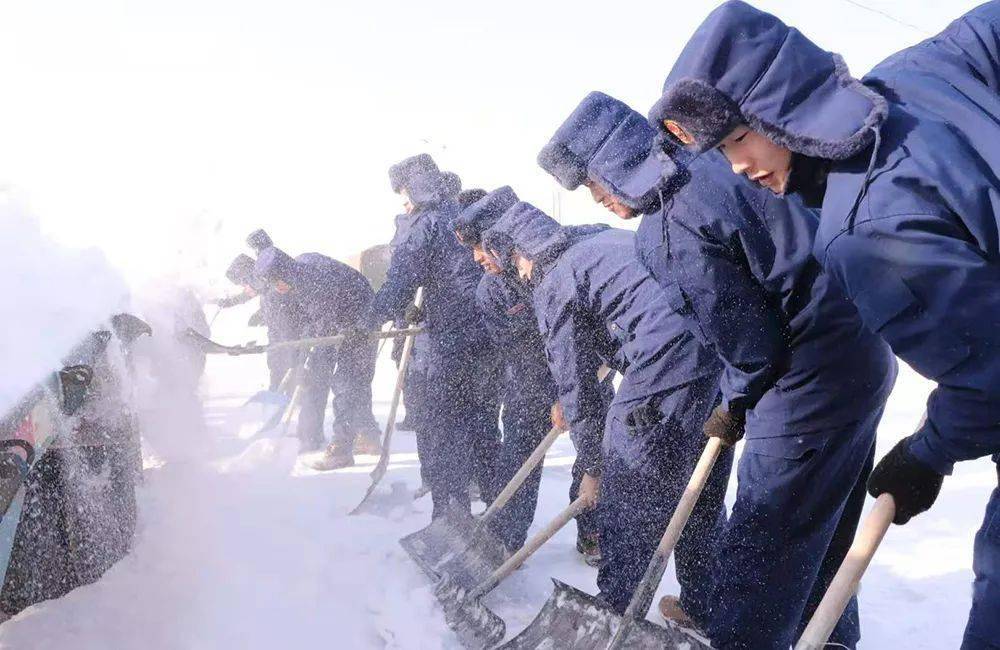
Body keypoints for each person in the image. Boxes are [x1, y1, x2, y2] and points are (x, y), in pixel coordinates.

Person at [650, 3, 1000, 647]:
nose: (737, 166)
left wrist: (926, 455)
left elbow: (992, 383)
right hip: (857, 377)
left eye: (736, 141)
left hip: (809, 393)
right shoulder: (911, 77)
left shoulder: (864, 230)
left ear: (774, 112)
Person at [544, 89, 897, 647]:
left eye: (591, 183)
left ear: (615, 163)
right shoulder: (721, 161)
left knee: (759, 553)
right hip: (864, 354)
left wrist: (735, 401)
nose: (595, 201)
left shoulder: (666, 229)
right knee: (822, 533)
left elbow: (750, 347)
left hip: (804, 384)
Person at [481, 203, 728, 624]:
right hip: (714, 346)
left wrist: (593, 467)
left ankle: (616, 613)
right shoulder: (592, 243)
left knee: (628, 484)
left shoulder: (555, 279)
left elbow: (577, 382)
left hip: (666, 358)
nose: (517, 275)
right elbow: (618, 328)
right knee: (699, 482)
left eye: (511, 264)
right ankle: (703, 604)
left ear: (520, 252)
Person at [453, 186, 606, 557]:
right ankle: (505, 540)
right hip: (532, 378)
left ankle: (594, 530)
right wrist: (551, 396)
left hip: (587, 368)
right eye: (470, 249)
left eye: (480, 247)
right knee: (519, 445)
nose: (476, 258)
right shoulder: (491, 293)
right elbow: (519, 355)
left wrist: (574, 394)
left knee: (597, 446)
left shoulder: (567, 259)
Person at [362, 154, 491, 520]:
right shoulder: (464, 213)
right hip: (488, 336)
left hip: (450, 340)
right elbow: (458, 273)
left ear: (415, 187)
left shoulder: (422, 222)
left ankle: (451, 519)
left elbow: (401, 281)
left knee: (442, 429)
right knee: (481, 423)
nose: (403, 202)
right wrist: (428, 302)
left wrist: (370, 320)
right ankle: (498, 521)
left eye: (403, 193)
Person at [254, 246, 380, 462]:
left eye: (276, 282)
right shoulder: (297, 275)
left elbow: (323, 328)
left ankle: (344, 446)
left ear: (284, 273)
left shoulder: (315, 282)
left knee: (349, 380)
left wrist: (308, 362)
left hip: (362, 315)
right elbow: (305, 323)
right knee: (321, 374)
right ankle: (317, 434)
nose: (277, 287)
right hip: (339, 314)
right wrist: (298, 360)